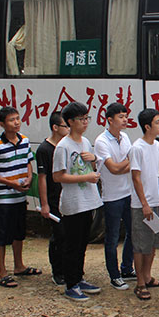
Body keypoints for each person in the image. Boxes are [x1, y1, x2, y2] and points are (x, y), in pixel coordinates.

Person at [53, 102, 103, 302]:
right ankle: (70, 284)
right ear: (71, 122)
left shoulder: (85, 142)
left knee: (83, 241)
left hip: (88, 200)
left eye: (86, 118)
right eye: (81, 119)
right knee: (72, 244)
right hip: (73, 203)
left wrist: (93, 160)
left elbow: (86, 167)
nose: (85, 123)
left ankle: (79, 278)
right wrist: (86, 177)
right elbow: (58, 176)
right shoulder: (63, 146)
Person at [0, 106, 38, 288]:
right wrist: (9, 182)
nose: (16, 122)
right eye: (12, 120)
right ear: (2, 124)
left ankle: (19, 266)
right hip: (4, 198)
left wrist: (29, 177)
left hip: (20, 197)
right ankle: (2, 272)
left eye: (18, 118)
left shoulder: (24, 141)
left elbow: (28, 161)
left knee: (18, 233)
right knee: (1, 235)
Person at [94, 102, 134, 290]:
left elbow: (125, 165)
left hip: (128, 192)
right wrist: (129, 160)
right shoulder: (101, 141)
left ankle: (127, 268)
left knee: (133, 232)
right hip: (111, 196)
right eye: (121, 117)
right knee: (112, 237)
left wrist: (126, 162)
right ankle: (114, 274)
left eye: (125, 116)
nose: (125, 120)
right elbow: (114, 169)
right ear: (110, 120)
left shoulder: (125, 137)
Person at [129, 108, 159, 300]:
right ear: (147, 126)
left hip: (158, 201)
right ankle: (140, 282)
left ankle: (148, 275)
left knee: (154, 241)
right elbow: (136, 178)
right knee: (141, 244)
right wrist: (144, 204)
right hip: (142, 205)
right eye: (158, 122)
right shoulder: (137, 148)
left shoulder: (158, 146)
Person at [36, 111, 69, 286]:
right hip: (53, 198)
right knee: (59, 235)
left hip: (68, 197)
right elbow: (42, 178)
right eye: (65, 125)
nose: (68, 129)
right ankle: (58, 271)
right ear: (55, 127)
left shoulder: (66, 145)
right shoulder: (44, 149)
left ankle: (69, 268)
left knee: (70, 235)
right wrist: (44, 204)